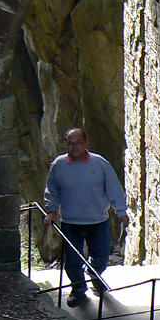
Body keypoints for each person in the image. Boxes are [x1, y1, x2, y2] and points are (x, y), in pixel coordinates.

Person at [44, 128, 128, 307]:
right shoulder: (59, 165)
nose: (74, 147)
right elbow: (52, 190)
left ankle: (94, 273)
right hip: (71, 222)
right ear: (66, 145)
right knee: (72, 261)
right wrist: (51, 211)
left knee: (102, 257)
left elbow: (114, 188)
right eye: (70, 143)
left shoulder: (100, 164)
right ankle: (78, 290)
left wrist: (121, 211)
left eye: (78, 142)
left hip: (98, 221)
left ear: (86, 144)